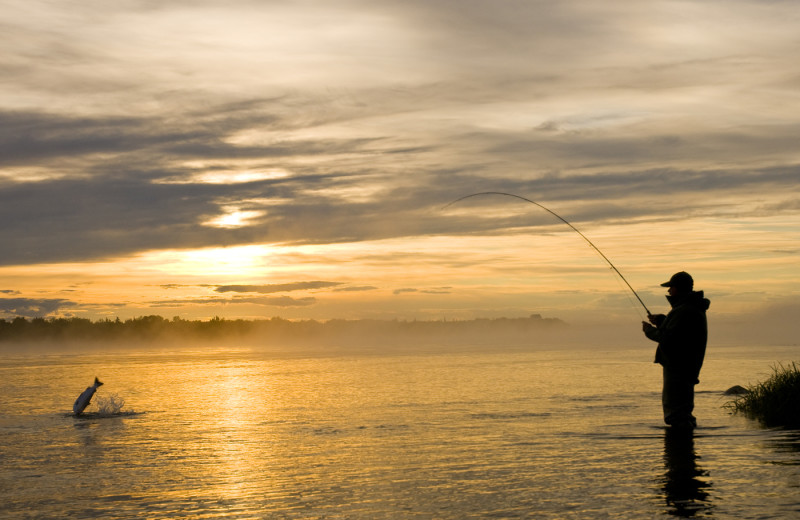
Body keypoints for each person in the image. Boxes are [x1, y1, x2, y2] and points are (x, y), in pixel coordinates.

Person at [642, 272, 710, 429]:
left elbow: (668, 338)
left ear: (678, 288)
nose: (668, 291)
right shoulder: (691, 307)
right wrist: (661, 321)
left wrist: (648, 330)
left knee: (676, 411)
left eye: (670, 287)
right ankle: (686, 447)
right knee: (682, 409)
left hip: (678, 366)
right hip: (685, 365)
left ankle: (680, 448)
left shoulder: (684, 310)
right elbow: (681, 332)